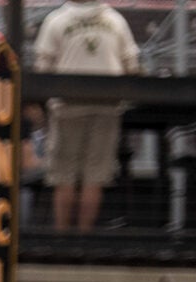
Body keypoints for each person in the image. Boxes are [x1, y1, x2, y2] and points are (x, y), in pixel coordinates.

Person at [35, 1, 141, 230]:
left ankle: (63, 239)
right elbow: (131, 65)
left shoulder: (56, 20)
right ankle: (84, 237)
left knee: (64, 176)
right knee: (95, 177)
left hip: (67, 107)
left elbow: (43, 68)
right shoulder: (115, 20)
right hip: (107, 106)